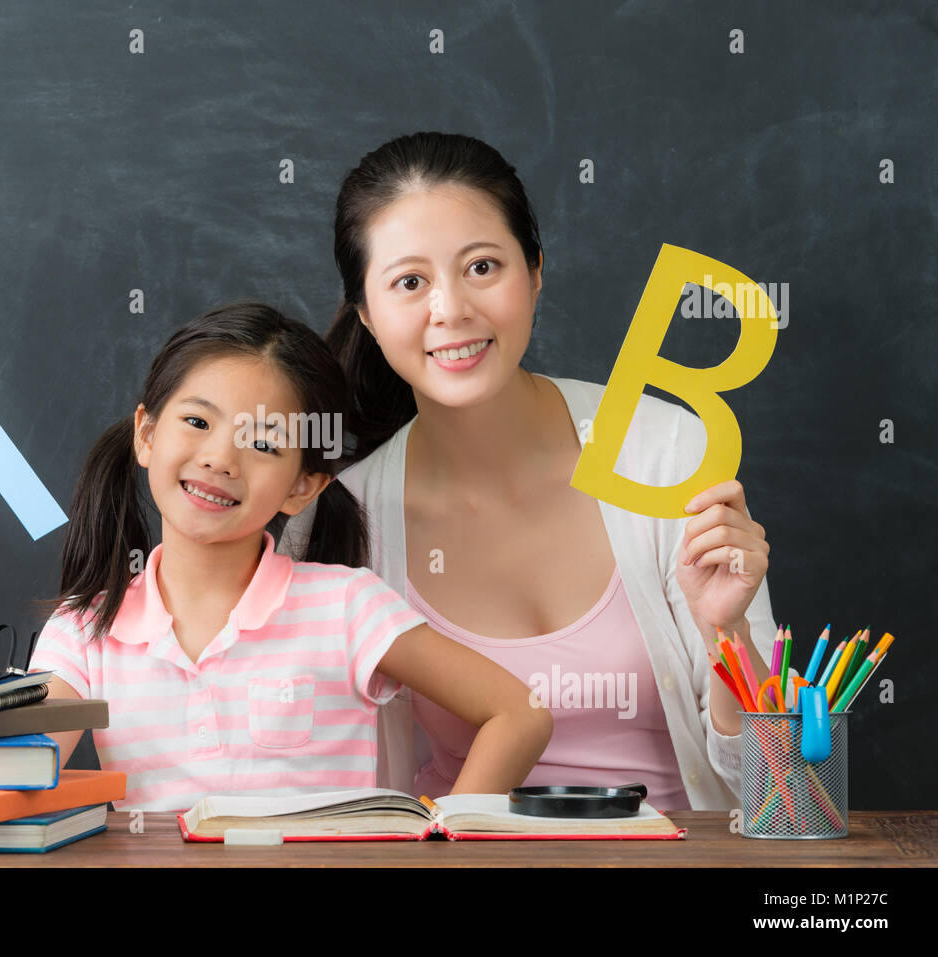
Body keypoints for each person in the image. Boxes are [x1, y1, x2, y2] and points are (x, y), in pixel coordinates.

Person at [0, 301, 551, 812]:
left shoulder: (345, 606)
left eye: (263, 442)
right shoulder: (85, 632)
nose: (221, 457)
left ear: (303, 485)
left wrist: (438, 838)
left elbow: (519, 712)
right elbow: (1, 773)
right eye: (197, 421)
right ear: (146, 433)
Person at [278, 131, 781, 810]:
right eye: (409, 282)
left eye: (483, 266)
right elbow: (321, 790)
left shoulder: (663, 452)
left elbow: (783, 792)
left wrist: (729, 633)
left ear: (536, 269)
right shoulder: (339, 525)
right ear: (366, 313)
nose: (451, 309)